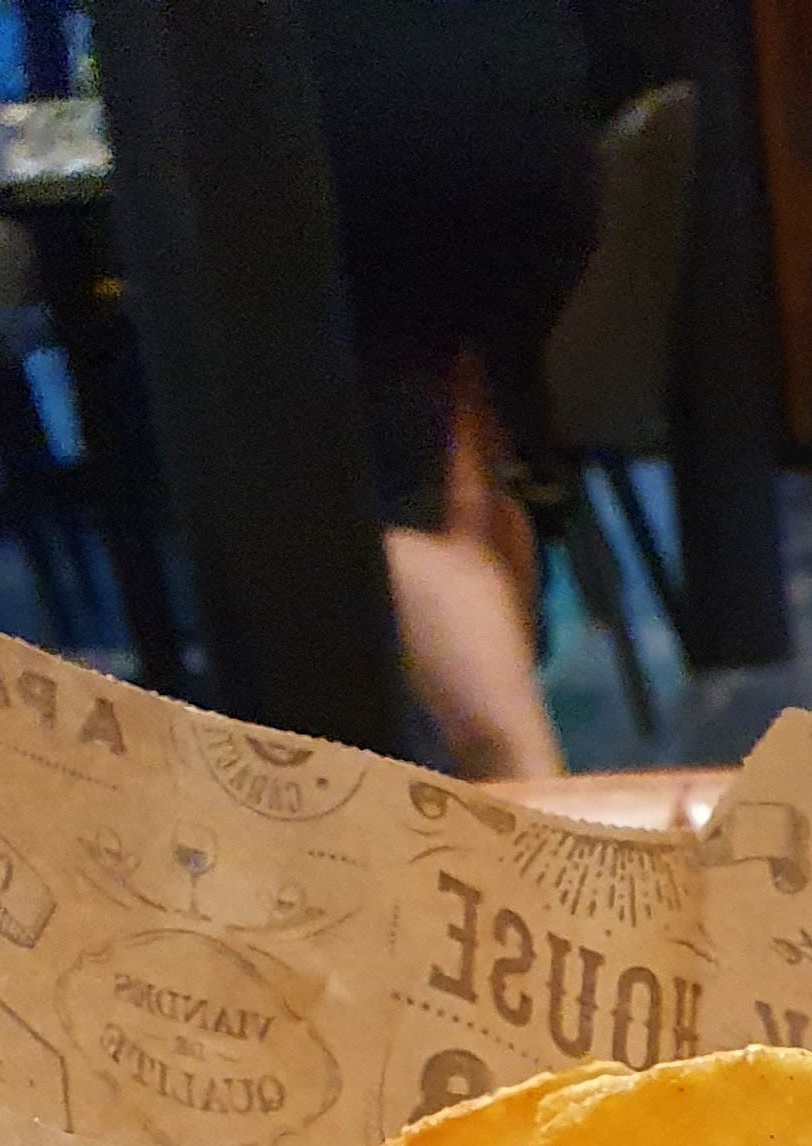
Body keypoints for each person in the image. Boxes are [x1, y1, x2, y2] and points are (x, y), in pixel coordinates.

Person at [297, 0, 602, 779]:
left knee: (385, 504)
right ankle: (515, 783)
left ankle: (525, 791)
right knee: (467, 458)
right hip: (524, 101)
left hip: (357, 126)